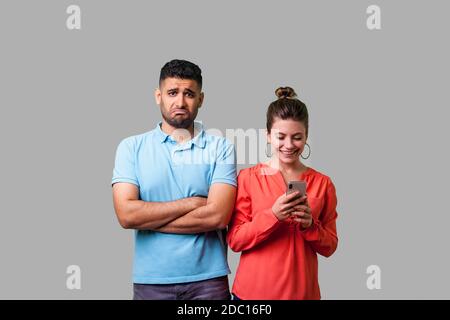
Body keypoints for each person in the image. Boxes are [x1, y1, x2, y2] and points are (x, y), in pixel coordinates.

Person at [111, 59, 237, 300]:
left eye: (189, 93)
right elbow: (126, 215)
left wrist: (147, 219)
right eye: (172, 92)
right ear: (158, 96)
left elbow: (218, 216)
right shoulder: (130, 147)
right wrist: (191, 203)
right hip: (151, 281)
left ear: (201, 99)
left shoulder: (221, 147)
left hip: (208, 281)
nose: (180, 102)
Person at [227, 87, 338, 300]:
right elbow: (235, 240)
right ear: (268, 136)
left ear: (306, 136)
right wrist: (273, 215)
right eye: (281, 136)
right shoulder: (248, 178)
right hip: (251, 296)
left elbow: (330, 246)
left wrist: (309, 226)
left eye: (297, 137)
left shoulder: (323, 183)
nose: (289, 145)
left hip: (303, 294)